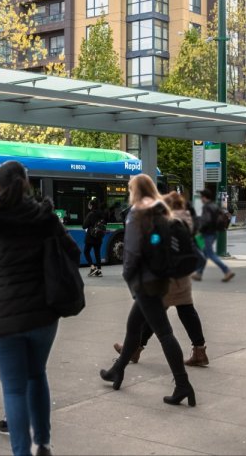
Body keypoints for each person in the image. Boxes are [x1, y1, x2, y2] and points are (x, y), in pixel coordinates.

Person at [0, 160, 76, 456]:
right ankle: (43, 443)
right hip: (43, 315)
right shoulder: (45, 217)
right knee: (37, 375)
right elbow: (72, 252)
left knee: (13, 389)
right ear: (27, 183)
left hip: (2, 321)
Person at [100, 174, 196, 408]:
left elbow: (132, 251)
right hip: (160, 278)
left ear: (135, 190)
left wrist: (128, 276)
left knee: (164, 333)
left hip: (144, 281)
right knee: (134, 327)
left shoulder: (137, 212)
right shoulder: (161, 209)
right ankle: (118, 369)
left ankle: (183, 385)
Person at [113, 191, 209, 367]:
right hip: (182, 276)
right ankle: (199, 350)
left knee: (153, 315)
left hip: (166, 276)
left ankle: (135, 349)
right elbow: (196, 244)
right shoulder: (187, 218)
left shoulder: (168, 221)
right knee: (185, 312)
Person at [193, 189, 234, 283]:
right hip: (213, 232)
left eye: (201, 197)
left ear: (204, 197)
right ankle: (199, 273)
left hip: (207, 233)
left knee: (210, 254)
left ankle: (227, 271)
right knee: (206, 253)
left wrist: (199, 230)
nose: (200, 198)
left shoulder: (207, 207)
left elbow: (206, 221)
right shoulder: (215, 206)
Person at [83, 198, 106, 277]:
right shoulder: (101, 214)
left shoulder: (90, 214)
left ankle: (93, 268)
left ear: (91, 205)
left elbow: (84, 226)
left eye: (89, 204)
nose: (88, 206)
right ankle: (99, 270)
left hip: (90, 237)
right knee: (97, 253)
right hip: (99, 237)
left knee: (86, 252)